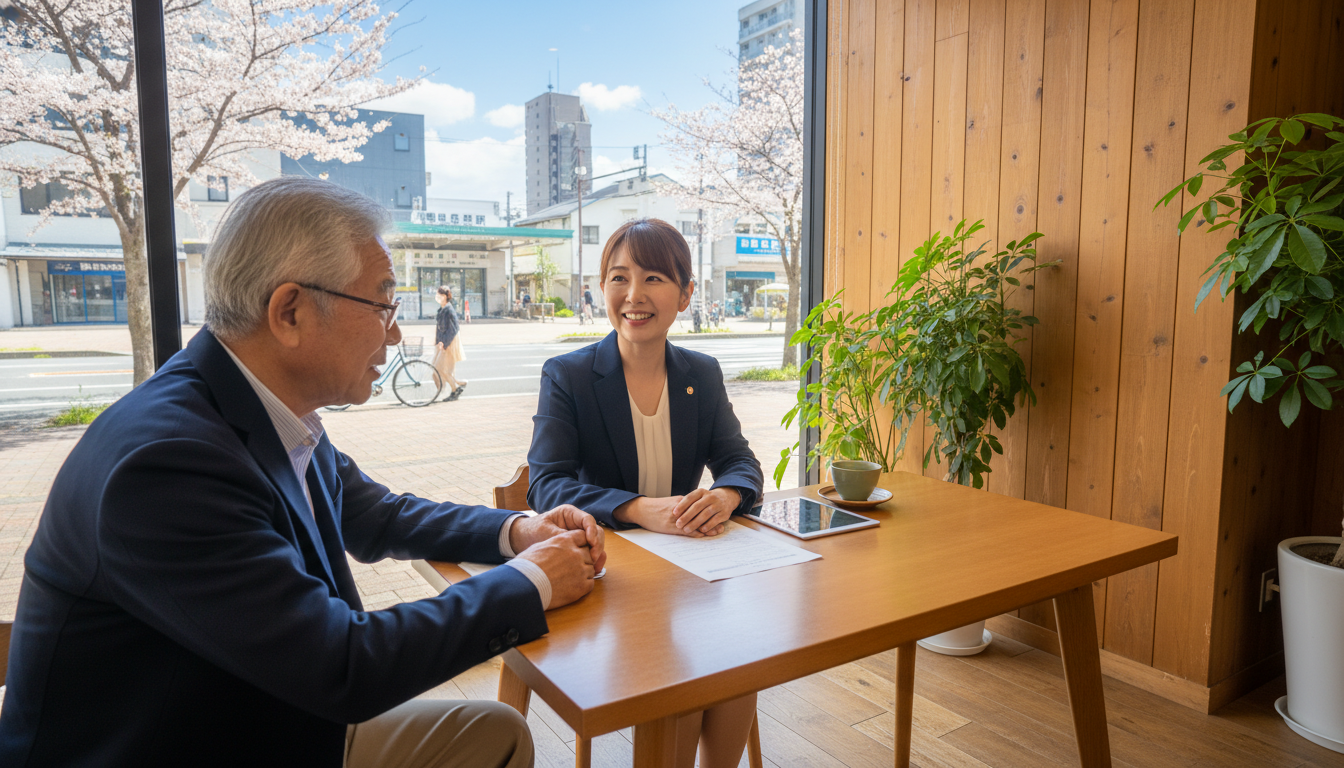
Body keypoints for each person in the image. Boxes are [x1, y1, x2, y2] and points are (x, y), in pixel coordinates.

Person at [0, 177, 606, 767]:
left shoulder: (255, 403)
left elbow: (374, 514)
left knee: (495, 734)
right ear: (289, 311)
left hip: (256, 710)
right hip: (195, 740)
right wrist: (533, 581)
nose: (396, 332)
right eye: (382, 305)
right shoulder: (168, 465)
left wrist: (517, 531)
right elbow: (343, 667)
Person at [526, 218, 763, 768]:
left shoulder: (701, 373)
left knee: (742, 657)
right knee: (684, 679)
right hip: (606, 576)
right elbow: (546, 484)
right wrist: (637, 509)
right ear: (601, 288)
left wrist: (726, 496)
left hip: (684, 573)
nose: (634, 295)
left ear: (685, 294)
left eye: (653, 278)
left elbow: (739, 462)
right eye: (619, 278)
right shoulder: (569, 376)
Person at [433, 285, 468, 401]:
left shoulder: (448, 310)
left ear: (445, 296)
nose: (437, 297)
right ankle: (454, 385)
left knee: (443, 368)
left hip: (450, 343)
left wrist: (444, 343)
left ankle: (455, 389)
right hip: (444, 343)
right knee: (439, 368)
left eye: (439, 295)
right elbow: (440, 328)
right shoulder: (442, 309)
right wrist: (438, 342)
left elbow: (453, 329)